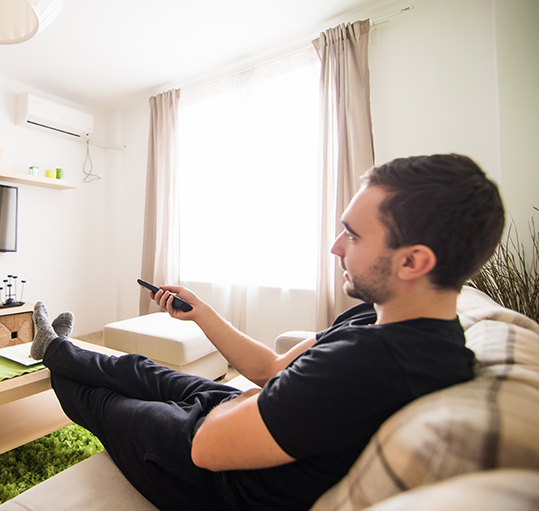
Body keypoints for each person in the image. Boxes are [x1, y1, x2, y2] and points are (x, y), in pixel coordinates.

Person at [29, 153, 505, 511]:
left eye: (354, 235)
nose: (337, 247)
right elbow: (272, 370)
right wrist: (204, 313)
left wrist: (244, 402)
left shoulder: (370, 363)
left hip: (212, 478)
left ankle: (54, 354)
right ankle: (59, 346)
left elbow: (208, 448)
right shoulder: (383, 317)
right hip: (250, 416)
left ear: (413, 261)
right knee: (139, 367)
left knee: (107, 400)